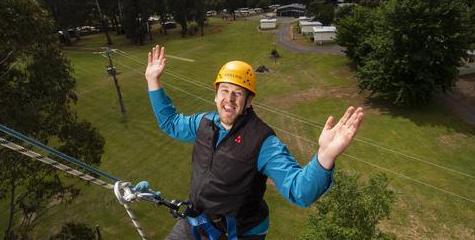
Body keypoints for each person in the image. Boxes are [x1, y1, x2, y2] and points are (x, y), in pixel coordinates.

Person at [144, 45, 364, 239]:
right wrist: (153, 81)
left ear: (249, 101)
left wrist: (325, 156)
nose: (229, 99)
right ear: (215, 95)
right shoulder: (203, 123)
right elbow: (171, 123)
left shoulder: (262, 142)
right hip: (199, 217)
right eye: (225, 91)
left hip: (240, 232)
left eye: (238, 93)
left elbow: (299, 191)